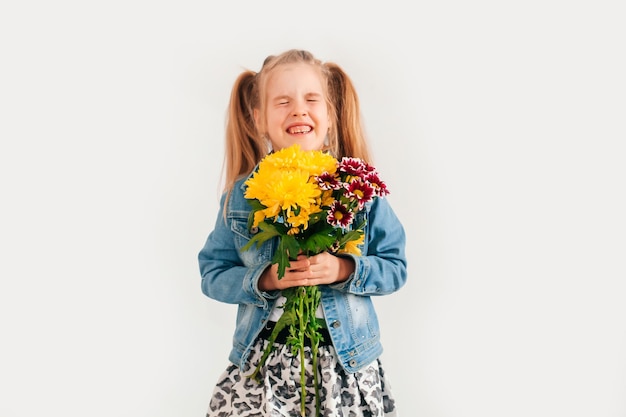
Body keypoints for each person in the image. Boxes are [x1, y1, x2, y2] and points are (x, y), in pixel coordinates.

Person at [198, 49, 407, 416]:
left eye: (311, 99)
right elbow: (213, 273)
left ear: (329, 114)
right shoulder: (242, 196)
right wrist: (263, 279)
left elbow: (395, 266)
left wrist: (345, 270)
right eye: (283, 102)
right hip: (265, 367)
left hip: (345, 364)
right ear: (259, 119)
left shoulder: (357, 190)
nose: (298, 110)